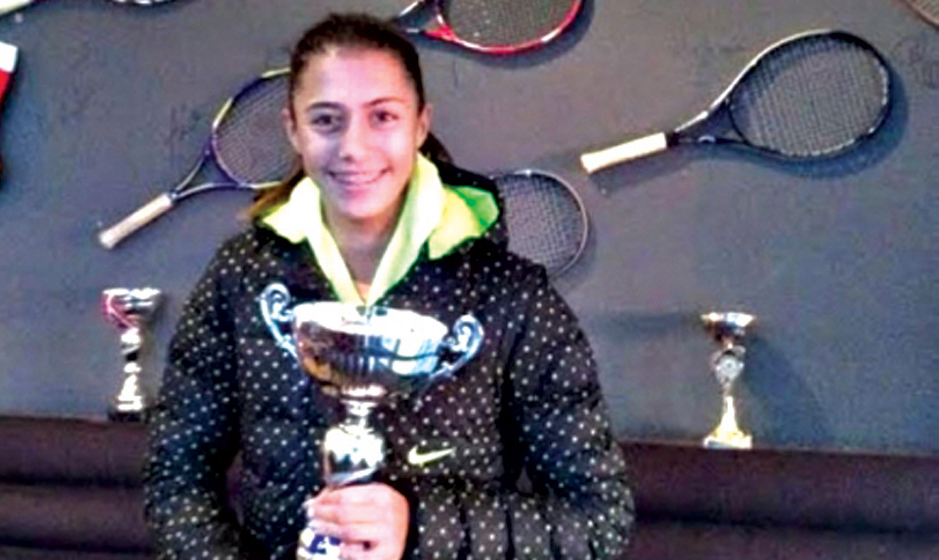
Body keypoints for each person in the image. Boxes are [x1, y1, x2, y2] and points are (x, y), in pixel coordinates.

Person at [144, 12, 635, 560]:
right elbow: (176, 478)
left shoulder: (511, 297)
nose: (353, 147)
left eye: (382, 116)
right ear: (293, 130)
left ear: (420, 125)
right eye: (326, 120)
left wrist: (418, 525)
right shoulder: (240, 278)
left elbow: (598, 521)